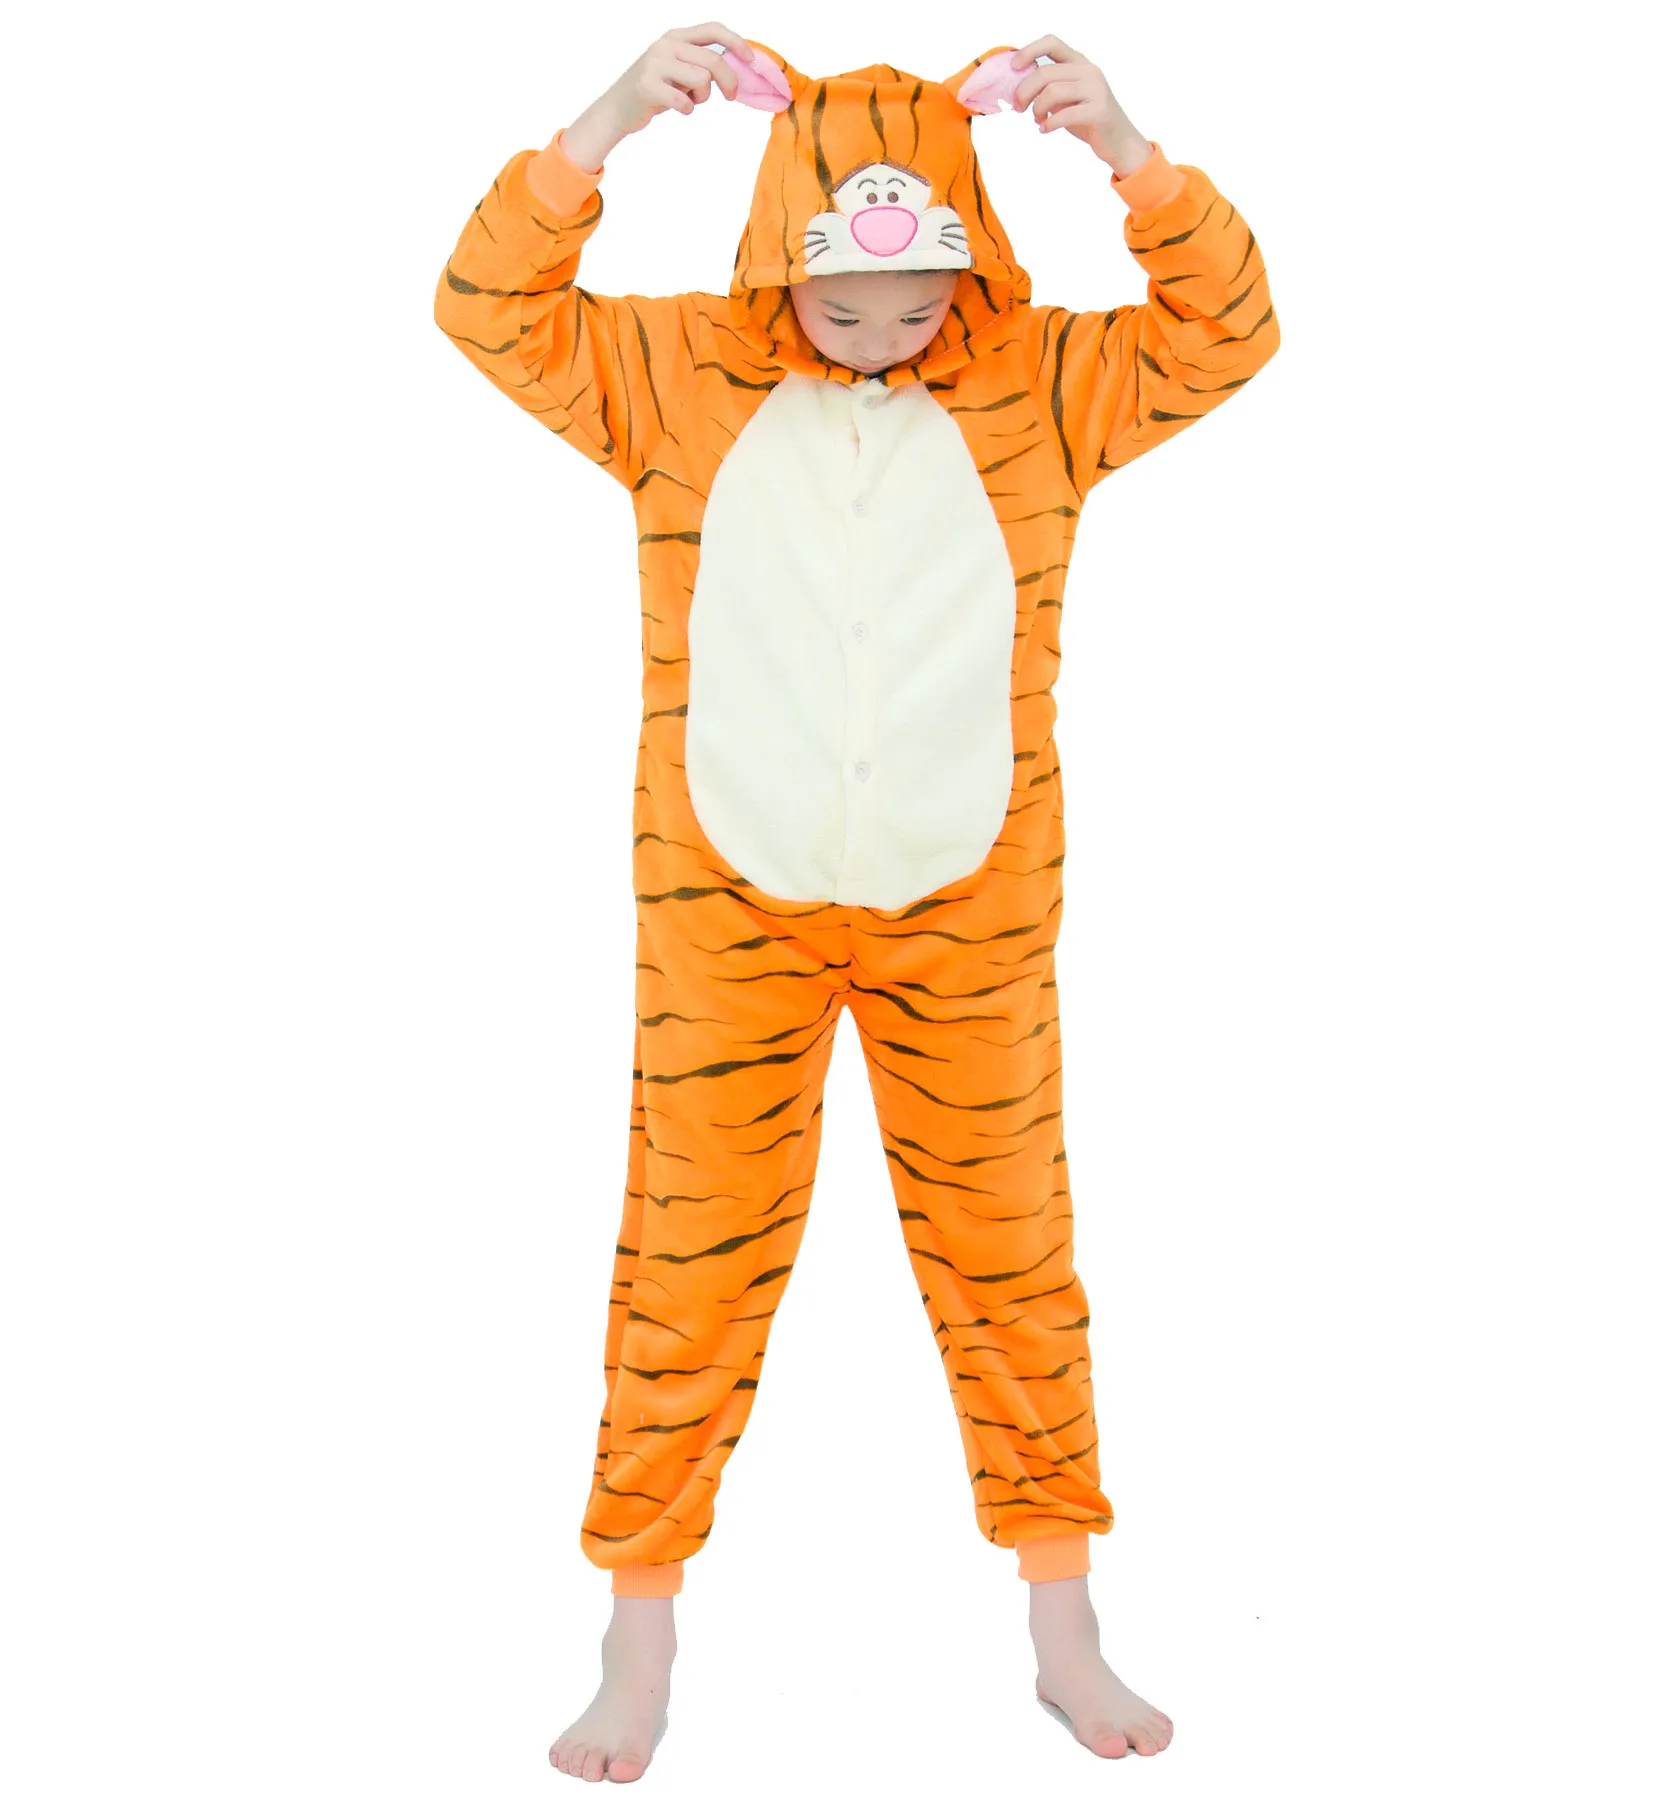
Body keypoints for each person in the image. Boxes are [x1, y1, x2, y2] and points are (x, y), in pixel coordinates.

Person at [433, 21, 1281, 1782]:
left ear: (970, 266)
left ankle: (1064, 1623)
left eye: (916, 305)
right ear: (777, 260)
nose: (882, 336)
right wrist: (608, 120)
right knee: (686, 1261)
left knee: (1012, 1256)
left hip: (971, 908)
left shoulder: (1041, 382)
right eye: (841, 305)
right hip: (722, 907)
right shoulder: (676, 376)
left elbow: (1229, 329)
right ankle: (638, 1631)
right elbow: (486, 305)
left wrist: (1129, 152)